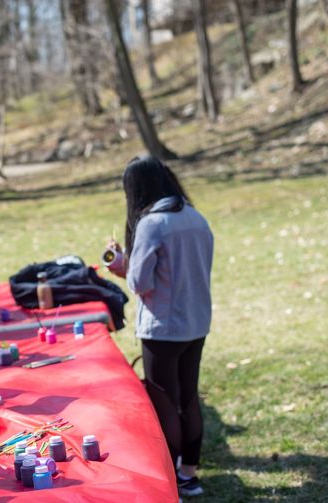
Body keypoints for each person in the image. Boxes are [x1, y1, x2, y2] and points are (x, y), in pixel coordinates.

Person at [107, 155, 213, 497]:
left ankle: (170, 478)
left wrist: (122, 265)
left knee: (165, 400)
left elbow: (139, 282)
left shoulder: (152, 223)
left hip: (163, 328)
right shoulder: (195, 216)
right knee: (189, 396)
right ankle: (189, 474)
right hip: (196, 322)